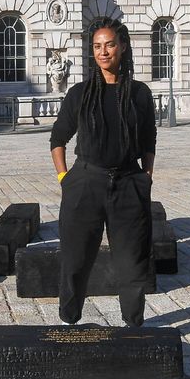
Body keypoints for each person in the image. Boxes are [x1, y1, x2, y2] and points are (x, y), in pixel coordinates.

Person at [49, 17, 157, 327]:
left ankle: (133, 326)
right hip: (85, 184)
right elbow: (58, 138)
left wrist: (145, 177)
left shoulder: (139, 93)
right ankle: (69, 322)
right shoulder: (81, 93)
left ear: (122, 46)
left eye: (109, 44)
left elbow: (148, 138)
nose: (103, 51)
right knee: (75, 260)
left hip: (128, 184)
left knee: (132, 262)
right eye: (97, 46)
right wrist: (64, 178)